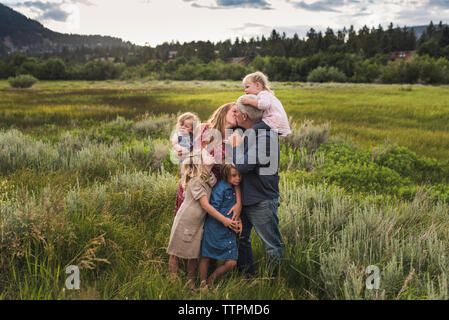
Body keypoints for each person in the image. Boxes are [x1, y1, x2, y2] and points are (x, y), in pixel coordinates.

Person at [167, 148, 240, 288]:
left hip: (198, 223)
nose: (210, 153)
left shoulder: (209, 177)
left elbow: (228, 180)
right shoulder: (196, 180)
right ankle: (173, 282)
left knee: (193, 255)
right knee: (175, 252)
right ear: (200, 162)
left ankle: (191, 283)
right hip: (185, 221)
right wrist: (224, 220)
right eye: (206, 154)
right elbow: (205, 205)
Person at [230, 94, 283, 277]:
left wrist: (235, 147)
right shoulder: (251, 133)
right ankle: (247, 277)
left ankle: (270, 284)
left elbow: (244, 165)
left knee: (271, 245)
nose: (235, 114)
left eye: (237, 112)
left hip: (261, 200)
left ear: (245, 117)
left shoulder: (265, 136)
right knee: (241, 239)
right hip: (246, 198)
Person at [174, 103, 242, 220]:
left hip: (212, 191)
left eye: (239, 112)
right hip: (192, 184)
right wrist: (184, 184)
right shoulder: (203, 128)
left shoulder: (234, 138)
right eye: (234, 111)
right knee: (184, 224)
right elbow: (186, 158)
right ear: (223, 112)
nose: (237, 114)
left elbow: (235, 173)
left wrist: (239, 203)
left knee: (204, 229)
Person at [198, 164, 242, 288]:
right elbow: (213, 209)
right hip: (215, 228)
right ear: (225, 175)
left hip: (229, 230)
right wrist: (227, 221)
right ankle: (202, 285)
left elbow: (235, 210)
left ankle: (212, 279)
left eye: (239, 175)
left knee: (232, 262)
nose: (237, 178)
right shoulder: (220, 188)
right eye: (234, 176)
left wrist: (238, 220)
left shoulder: (234, 188)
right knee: (206, 256)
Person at [240, 71, 291, 137]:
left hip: (273, 121)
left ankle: (242, 140)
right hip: (276, 121)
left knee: (253, 129)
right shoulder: (265, 95)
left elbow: (264, 105)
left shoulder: (264, 94)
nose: (245, 90)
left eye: (247, 87)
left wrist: (249, 101)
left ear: (257, 85)